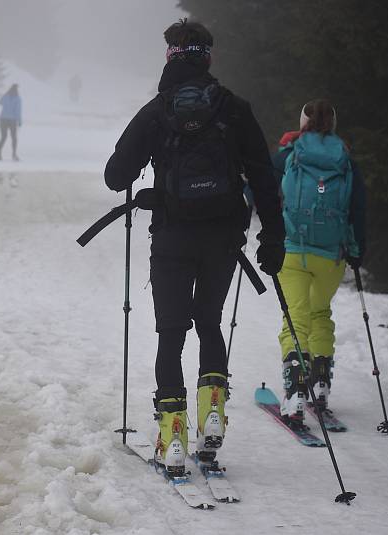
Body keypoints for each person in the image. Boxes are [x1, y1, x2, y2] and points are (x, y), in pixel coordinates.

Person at [103, 19, 285, 476]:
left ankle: (174, 433)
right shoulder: (234, 109)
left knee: (171, 332)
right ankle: (213, 415)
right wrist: (273, 236)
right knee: (209, 322)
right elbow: (264, 175)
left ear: (170, 58)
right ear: (208, 57)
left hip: (171, 237)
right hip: (222, 238)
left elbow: (115, 177)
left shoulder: (156, 110)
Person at [273, 99, 366, 425]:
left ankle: (295, 390)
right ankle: (321, 383)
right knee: (320, 313)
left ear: (302, 123)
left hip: (294, 248)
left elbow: (262, 187)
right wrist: (355, 250)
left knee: (294, 318)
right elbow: (357, 208)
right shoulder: (345, 158)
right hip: (331, 254)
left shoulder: (291, 152)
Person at [0, 83, 22, 161]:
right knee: (14, 137)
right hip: (12, 120)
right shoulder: (18, 99)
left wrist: (5, 95)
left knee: (3, 137)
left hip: (3, 119)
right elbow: (18, 111)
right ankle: (14, 155)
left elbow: (0, 102)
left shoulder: (6, 96)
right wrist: (20, 121)